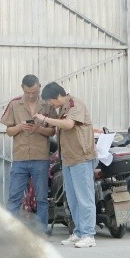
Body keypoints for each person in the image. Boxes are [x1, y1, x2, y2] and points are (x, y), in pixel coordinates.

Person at [34, 82, 96, 248]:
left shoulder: (75, 104)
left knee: (84, 197)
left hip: (81, 157)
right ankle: (79, 232)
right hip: (68, 158)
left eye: (50, 102)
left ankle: (88, 235)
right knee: (73, 198)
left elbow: (69, 124)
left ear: (58, 96)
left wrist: (46, 119)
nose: (50, 105)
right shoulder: (62, 108)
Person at [0, 74, 53, 235]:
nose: (31, 95)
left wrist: (38, 129)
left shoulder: (47, 105)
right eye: (28, 92)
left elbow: (52, 131)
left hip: (40, 157)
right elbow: (9, 131)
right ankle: (11, 231)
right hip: (20, 158)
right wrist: (19, 127)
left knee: (42, 197)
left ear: (40, 87)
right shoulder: (14, 104)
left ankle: (42, 230)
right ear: (22, 88)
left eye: (34, 92)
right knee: (14, 196)